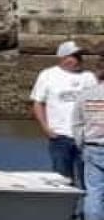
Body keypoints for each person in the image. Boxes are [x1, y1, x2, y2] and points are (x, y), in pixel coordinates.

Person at [31, 40, 97, 188]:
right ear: (63, 57)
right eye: (74, 56)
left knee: (90, 182)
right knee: (62, 181)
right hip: (59, 138)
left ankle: (88, 204)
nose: (78, 59)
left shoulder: (89, 77)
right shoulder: (47, 75)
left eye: (79, 56)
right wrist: (46, 128)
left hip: (86, 138)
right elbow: (38, 103)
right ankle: (68, 204)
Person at [72, 77, 104, 220]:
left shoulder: (85, 95)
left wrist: (81, 145)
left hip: (93, 147)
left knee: (94, 191)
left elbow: (77, 124)